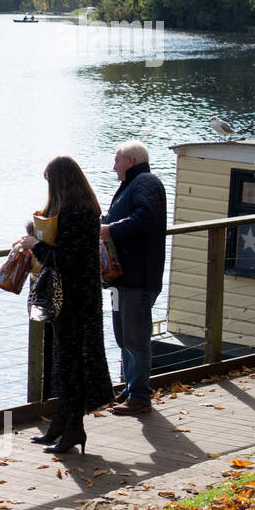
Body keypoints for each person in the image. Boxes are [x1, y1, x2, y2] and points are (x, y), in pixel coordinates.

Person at [18, 156, 114, 455]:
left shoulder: (77, 211)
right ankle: (62, 424)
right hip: (79, 295)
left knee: (71, 364)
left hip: (73, 297)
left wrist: (36, 246)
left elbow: (64, 259)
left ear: (59, 181)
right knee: (65, 362)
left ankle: (73, 429)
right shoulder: (84, 207)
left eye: (50, 182)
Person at [101, 141, 167, 415]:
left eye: (116, 160)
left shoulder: (145, 183)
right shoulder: (132, 184)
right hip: (123, 278)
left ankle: (140, 396)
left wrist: (110, 230)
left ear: (129, 160)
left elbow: (145, 219)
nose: (113, 166)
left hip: (138, 277)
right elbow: (120, 217)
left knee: (135, 338)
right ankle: (131, 388)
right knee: (123, 337)